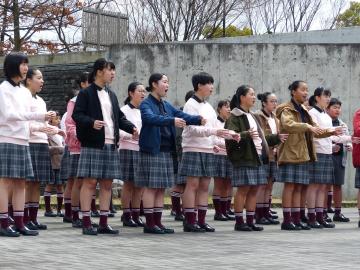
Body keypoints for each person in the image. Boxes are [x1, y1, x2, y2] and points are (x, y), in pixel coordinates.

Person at [72, 58, 137, 235]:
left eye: (113, 70)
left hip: (111, 144)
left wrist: (131, 128)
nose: (113, 73)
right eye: (110, 70)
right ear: (99, 71)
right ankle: (86, 221)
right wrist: (91, 122)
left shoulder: (112, 94)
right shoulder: (86, 93)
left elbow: (118, 117)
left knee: (107, 184)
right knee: (90, 182)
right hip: (93, 143)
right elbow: (77, 115)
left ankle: (103, 222)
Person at [135, 73, 204, 234]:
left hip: (166, 151)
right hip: (152, 150)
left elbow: (181, 115)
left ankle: (158, 223)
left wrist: (198, 119)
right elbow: (150, 119)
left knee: (160, 188)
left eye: (168, 82)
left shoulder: (166, 105)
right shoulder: (146, 104)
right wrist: (171, 121)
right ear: (154, 84)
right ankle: (150, 224)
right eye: (164, 82)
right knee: (151, 188)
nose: (167, 85)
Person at [0, 53, 55, 237]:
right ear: (13, 66)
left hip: (23, 140)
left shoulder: (24, 92)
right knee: (6, 182)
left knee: (21, 183)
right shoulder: (3, 89)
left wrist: (46, 128)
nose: (25, 68)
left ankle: (19, 222)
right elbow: (9, 116)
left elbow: (26, 120)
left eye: (26, 64)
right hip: (7, 138)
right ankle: (3, 222)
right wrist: (39, 116)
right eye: (23, 64)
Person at [179, 72, 235, 233]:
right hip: (193, 148)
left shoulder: (208, 106)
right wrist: (214, 133)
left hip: (207, 149)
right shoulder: (190, 104)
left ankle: (201, 220)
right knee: (193, 184)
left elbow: (213, 131)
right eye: (208, 83)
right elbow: (192, 128)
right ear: (199, 86)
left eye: (212, 83)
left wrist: (228, 136)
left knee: (204, 185)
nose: (212, 87)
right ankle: (190, 221)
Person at [275, 80, 330, 231]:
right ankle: (287, 220)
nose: (306, 93)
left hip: (303, 153)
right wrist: (307, 126)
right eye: (303, 89)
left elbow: (316, 130)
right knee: (290, 186)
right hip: (291, 152)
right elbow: (287, 125)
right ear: (293, 91)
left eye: (307, 90)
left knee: (300, 187)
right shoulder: (285, 108)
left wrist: (333, 131)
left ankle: (296, 219)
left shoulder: (304, 110)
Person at [225, 85, 280, 232]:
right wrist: (246, 134)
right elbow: (230, 135)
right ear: (242, 97)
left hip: (257, 157)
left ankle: (250, 220)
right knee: (243, 190)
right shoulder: (235, 116)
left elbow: (260, 138)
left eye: (254, 95)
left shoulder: (252, 116)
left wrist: (276, 138)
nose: (254, 97)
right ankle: (239, 221)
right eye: (251, 94)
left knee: (254, 190)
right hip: (244, 157)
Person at [25, 68, 65, 231]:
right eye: (39, 78)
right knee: (27, 183)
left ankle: (33, 218)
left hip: (42, 144)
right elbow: (24, 123)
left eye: (42, 78)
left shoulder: (41, 101)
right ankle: (24, 217)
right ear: (28, 80)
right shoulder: (22, 97)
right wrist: (42, 128)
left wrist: (56, 130)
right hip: (29, 142)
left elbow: (45, 124)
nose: (42, 81)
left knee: (36, 183)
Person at [307, 88, 342, 229]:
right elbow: (316, 133)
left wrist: (348, 139)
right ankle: (311, 217)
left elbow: (330, 136)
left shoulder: (326, 115)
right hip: (317, 152)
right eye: (325, 96)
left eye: (329, 96)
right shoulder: (312, 113)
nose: (328, 99)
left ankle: (320, 216)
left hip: (327, 153)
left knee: (323, 187)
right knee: (314, 185)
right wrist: (333, 131)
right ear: (317, 97)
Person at [119, 82, 146, 227]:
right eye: (139, 91)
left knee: (139, 185)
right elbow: (118, 131)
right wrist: (132, 136)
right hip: (128, 149)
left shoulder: (143, 111)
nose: (143, 94)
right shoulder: (123, 110)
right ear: (131, 93)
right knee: (129, 184)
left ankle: (136, 214)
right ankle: (126, 214)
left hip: (141, 150)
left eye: (144, 92)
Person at [327, 98, 358, 222]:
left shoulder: (342, 123)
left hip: (340, 157)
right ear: (327, 108)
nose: (337, 110)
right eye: (334, 107)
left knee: (338, 185)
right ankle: (322, 211)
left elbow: (347, 139)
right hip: (327, 156)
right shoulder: (324, 122)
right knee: (324, 186)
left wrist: (349, 145)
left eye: (339, 107)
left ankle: (338, 212)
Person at [254, 92, 283, 225]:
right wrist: (276, 140)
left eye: (276, 101)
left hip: (274, 155)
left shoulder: (275, 118)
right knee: (262, 185)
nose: (274, 104)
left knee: (270, 185)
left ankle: (266, 212)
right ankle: (259, 214)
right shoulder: (258, 116)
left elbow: (278, 136)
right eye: (271, 101)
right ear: (264, 103)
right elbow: (262, 136)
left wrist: (277, 144)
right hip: (263, 155)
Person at [212, 99, 235, 221]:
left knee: (228, 184)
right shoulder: (215, 122)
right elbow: (214, 140)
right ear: (219, 108)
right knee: (219, 184)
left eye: (230, 107)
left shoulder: (230, 122)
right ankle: (218, 212)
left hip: (229, 156)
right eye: (226, 107)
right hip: (219, 156)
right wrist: (228, 142)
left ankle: (226, 210)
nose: (229, 109)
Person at [44, 112, 65, 217]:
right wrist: (61, 149)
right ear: (51, 120)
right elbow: (47, 149)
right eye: (57, 119)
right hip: (51, 163)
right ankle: (47, 210)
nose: (59, 120)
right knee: (49, 185)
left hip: (60, 163)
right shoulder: (47, 134)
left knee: (60, 186)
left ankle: (59, 210)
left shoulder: (61, 134)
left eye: (59, 118)